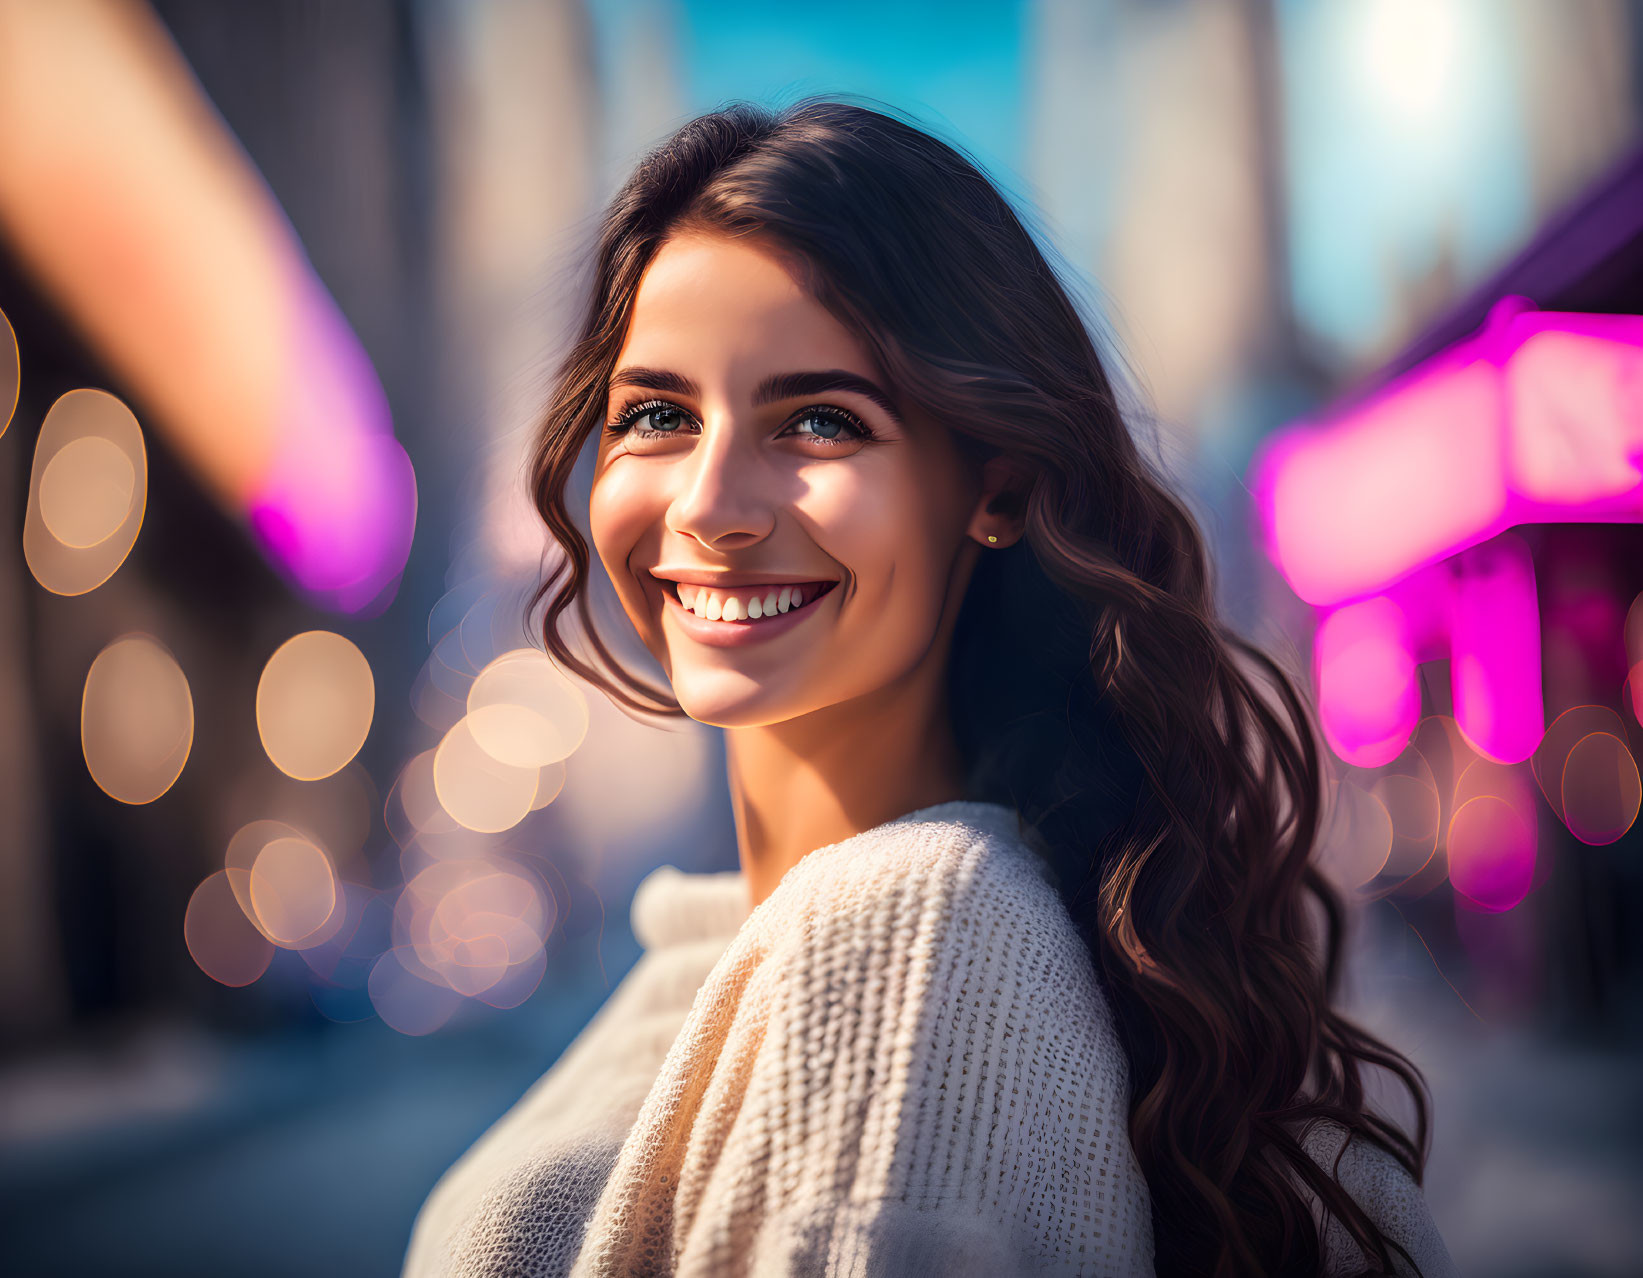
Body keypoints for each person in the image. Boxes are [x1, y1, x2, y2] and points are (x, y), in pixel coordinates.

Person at [403, 98, 1458, 1278]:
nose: (707, 503)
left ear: (995, 490)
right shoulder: (716, 960)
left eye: (815, 421)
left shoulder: (905, 928)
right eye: (656, 414)